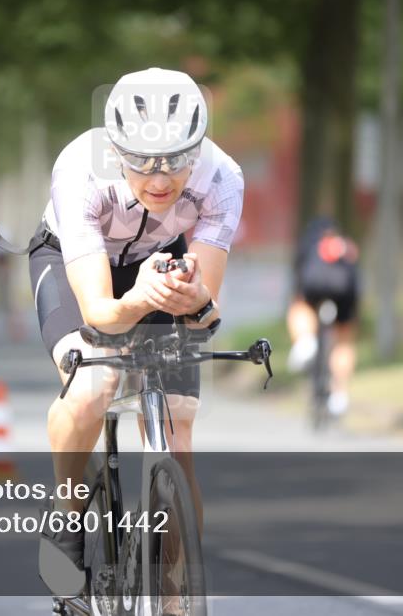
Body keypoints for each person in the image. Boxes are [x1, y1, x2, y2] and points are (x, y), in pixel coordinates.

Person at [22, 67, 244, 597]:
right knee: (92, 389)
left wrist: (195, 303)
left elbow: (204, 303)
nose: (160, 179)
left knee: (180, 424)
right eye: (142, 163)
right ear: (116, 152)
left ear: (199, 149)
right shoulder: (80, 169)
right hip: (74, 259)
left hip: (159, 261)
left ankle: (174, 592)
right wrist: (137, 301)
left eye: (177, 161)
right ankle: (69, 515)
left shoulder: (223, 177)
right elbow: (99, 309)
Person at [286, 216, 360, 416]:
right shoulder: (346, 247)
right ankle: (340, 394)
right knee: (343, 340)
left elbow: (298, 281)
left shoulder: (309, 245)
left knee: (300, 307)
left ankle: (305, 341)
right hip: (345, 295)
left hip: (314, 291)